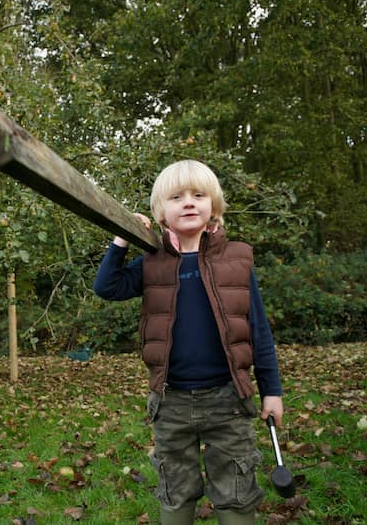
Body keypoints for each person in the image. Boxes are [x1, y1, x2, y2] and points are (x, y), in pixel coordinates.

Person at [93, 160, 283, 525]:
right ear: (161, 213)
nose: (188, 202)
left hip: (229, 398)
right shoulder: (152, 263)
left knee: (236, 489)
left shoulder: (237, 260)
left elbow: (258, 330)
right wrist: (120, 239)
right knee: (176, 486)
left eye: (198, 195)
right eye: (176, 197)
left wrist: (271, 391)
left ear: (214, 205)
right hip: (172, 400)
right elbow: (106, 287)